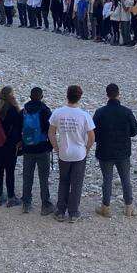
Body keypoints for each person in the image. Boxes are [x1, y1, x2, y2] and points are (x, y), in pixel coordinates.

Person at [49, 85, 95, 223]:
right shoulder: (84, 115)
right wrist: (86, 149)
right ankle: (74, 212)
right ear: (80, 97)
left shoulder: (58, 112)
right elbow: (92, 136)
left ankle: (60, 211)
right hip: (79, 153)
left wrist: (56, 147)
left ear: (67, 95)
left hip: (64, 152)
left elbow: (51, 132)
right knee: (77, 183)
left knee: (63, 181)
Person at [92, 84, 137, 217]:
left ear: (107, 95)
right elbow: (134, 131)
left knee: (107, 179)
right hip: (123, 151)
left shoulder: (100, 112)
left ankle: (105, 207)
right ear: (119, 94)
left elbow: (94, 133)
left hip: (104, 151)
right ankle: (129, 207)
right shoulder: (127, 111)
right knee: (125, 179)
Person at [0, 86, 23, 207]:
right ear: (10, 95)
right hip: (10, 144)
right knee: (10, 171)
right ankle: (11, 197)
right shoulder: (12, 109)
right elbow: (18, 126)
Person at [20, 86, 54, 214]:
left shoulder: (24, 111)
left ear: (30, 96)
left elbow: (20, 128)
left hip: (28, 147)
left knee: (27, 176)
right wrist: (51, 146)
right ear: (41, 97)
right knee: (43, 177)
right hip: (42, 148)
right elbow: (50, 130)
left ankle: (26, 203)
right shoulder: (45, 110)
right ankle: (45, 204)